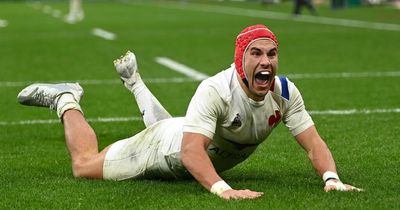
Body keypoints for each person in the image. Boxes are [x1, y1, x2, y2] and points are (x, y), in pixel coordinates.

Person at [17, 24, 362, 200]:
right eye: (256, 53)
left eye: (272, 54)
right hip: (164, 151)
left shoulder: (284, 93)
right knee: (84, 166)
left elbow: (314, 142)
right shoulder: (215, 89)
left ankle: (134, 82)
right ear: (240, 59)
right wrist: (223, 190)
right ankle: (66, 99)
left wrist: (332, 179)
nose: (266, 62)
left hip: (185, 133)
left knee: (176, 127)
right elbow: (189, 150)